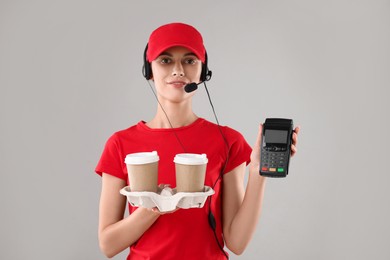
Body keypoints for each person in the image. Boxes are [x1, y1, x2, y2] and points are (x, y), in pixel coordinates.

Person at [95, 22, 300, 260]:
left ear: (203, 72)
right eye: (166, 60)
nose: (178, 70)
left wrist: (257, 171)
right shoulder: (120, 143)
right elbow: (108, 245)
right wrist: (156, 207)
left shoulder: (228, 141)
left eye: (190, 61)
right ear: (148, 71)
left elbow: (237, 242)